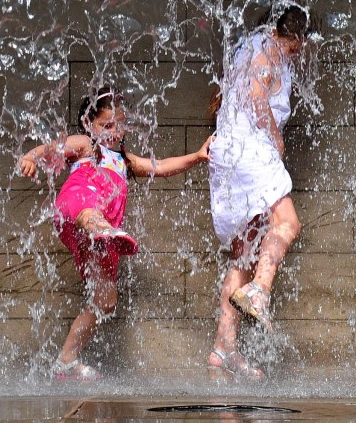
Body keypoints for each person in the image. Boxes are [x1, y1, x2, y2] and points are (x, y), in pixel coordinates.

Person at [20, 86, 212, 379]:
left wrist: (197, 156)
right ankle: (101, 229)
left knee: (105, 299)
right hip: (78, 208)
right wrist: (31, 157)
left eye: (120, 125)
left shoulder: (124, 159)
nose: (114, 131)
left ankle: (66, 361)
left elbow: (159, 167)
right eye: (106, 125)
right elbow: (52, 147)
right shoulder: (86, 146)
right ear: (89, 124)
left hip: (97, 236)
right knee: (90, 211)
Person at [207, 4, 311, 379]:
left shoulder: (248, 47)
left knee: (244, 254)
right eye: (297, 45)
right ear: (292, 35)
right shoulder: (267, 49)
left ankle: (224, 347)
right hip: (250, 149)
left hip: (230, 156)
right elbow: (255, 96)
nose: (298, 53)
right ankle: (260, 290)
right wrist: (276, 137)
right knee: (288, 222)